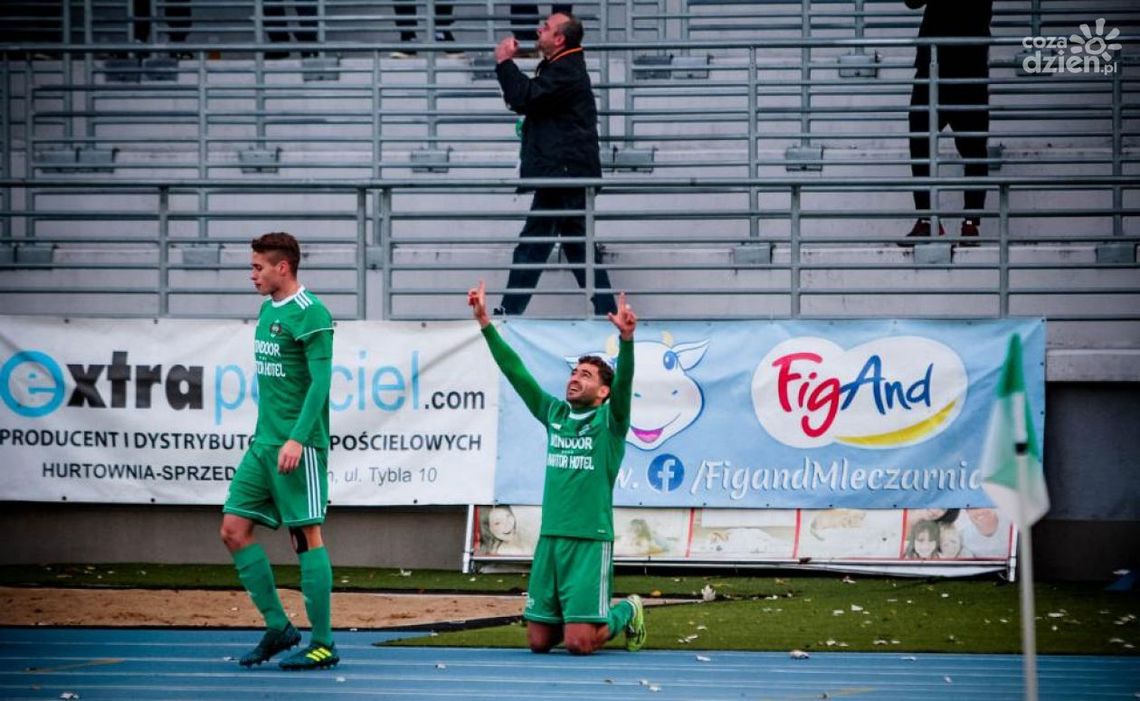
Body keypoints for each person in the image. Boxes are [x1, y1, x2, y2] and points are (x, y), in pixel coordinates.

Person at [467, 279, 646, 655]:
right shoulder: (554, 414)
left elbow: (626, 383)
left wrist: (627, 342)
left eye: (586, 375)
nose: (575, 378)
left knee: (580, 643)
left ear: (603, 392)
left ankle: (627, 611)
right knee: (539, 642)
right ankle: (573, 613)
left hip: (589, 540)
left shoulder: (610, 423)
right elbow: (516, 372)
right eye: (574, 372)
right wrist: (484, 322)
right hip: (551, 537)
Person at [220, 232, 338, 670]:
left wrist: (298, 438)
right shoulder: (268, 308)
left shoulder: (312, 313)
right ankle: (279, 627)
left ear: (282, 267)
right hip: (263, 443)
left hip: (297, 446)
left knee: (305, 537)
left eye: (258, 267)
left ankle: (324, 642)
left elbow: (322, 384)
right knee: (233, 530)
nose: (252, 275)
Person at [493, 11, 616, 317]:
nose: (539, 30)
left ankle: (509, 315)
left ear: (559, 39)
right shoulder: (563, 66)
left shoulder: (566, 70)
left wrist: (504, 62)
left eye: (545, 28)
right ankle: (607, 312)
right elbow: (533, 100)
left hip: (563, 174)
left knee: (533, 245)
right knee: (578, 247)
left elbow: (525, 96)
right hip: (567, 172)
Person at [903, 0, 994, 246]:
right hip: (932, 65)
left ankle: (971, 224)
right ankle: (927, 220)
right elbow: (911, 1)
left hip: (969, 66)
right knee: (920, 141)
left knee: (974, 148)